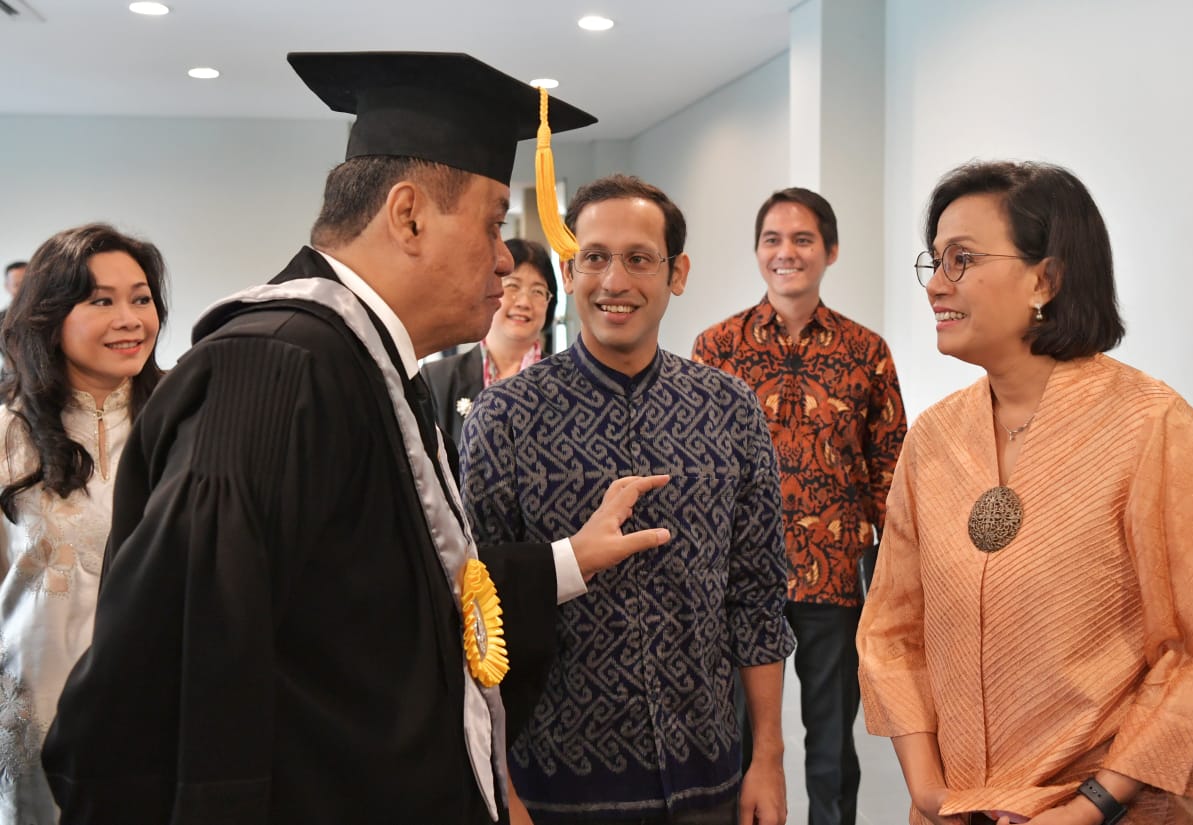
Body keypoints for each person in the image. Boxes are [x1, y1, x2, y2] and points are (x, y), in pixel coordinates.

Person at [41, 52, 674, 825]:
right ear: (408, 215)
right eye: (491, 220)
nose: (506, 256)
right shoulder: (275, 371)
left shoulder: (367, 366)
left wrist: (569, 559)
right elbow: (169, 686)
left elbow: (386, 599)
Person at [857, 160, 1193, 825]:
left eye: (963, 259)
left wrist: (1091, 804)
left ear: (1045, 277)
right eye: (935, 261)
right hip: (958, 810)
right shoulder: (931, 437)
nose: (938, 285)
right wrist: (930, 791)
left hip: (1114, 811)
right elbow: (893, 631)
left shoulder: (1156, 428)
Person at [462, 174, 796, 825]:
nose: (615, 280)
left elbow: (757, 593)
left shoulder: (730, 409)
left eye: (639, 258)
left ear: (677, 272)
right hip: (554, 784)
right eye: (595, 258)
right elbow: (471, 606)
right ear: (570, 268)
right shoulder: (505, 417)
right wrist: (502, 783)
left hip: (710, 776)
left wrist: (770, 758)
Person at [693, 187, 907, 825]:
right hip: (738, 579)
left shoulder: (867, 352)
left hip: (833, 575)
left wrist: (899, 577)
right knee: (733, 738)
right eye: (773, 240)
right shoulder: (717, 349)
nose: (786, 253)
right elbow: (701, 471)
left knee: (832, 746)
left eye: (802, 239)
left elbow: (889, 470)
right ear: (758, 253)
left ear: (830, 251)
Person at [0, 224, 167, 825]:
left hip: (157, 710)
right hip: (33, 716)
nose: (129, 319)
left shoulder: (185, 424)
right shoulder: (7, 436)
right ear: (48, 316)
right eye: (101, 301)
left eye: (141, 298)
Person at [424, 237, 557, 443]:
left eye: (538, 291)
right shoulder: (437, 379)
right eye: (513, 286)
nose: (524, 302)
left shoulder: (568, 381)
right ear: (489, 290)